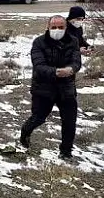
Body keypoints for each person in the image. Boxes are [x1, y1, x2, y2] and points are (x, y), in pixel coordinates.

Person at [20, 15, 82, 160]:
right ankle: (25, 132)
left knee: (69, 121)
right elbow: (39, 65)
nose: (57, 30)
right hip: (43, 88)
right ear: (48, 27)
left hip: (66, 88)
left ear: (66, 28)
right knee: (38, 118)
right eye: (54, 27)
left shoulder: (73, 41)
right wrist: (55, 72)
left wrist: (71, 70)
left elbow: (76, 61)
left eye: (61, 27)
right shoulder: (39, 42)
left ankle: (66, 152)